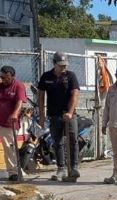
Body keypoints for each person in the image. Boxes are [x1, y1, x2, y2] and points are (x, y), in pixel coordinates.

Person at [37, 52, 81, 182]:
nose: (63, 68)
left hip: (69, 114)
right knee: (57, 142)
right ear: (54, 64)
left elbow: (75, 94)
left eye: (65, 65)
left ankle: (74, 167)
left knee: (73, 140)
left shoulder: (70, 76)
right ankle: (61, 168)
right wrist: (41, 115)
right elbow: (40, 95)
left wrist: (70, 112)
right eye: (61, 65)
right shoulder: (46, 76)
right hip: (54, 114)